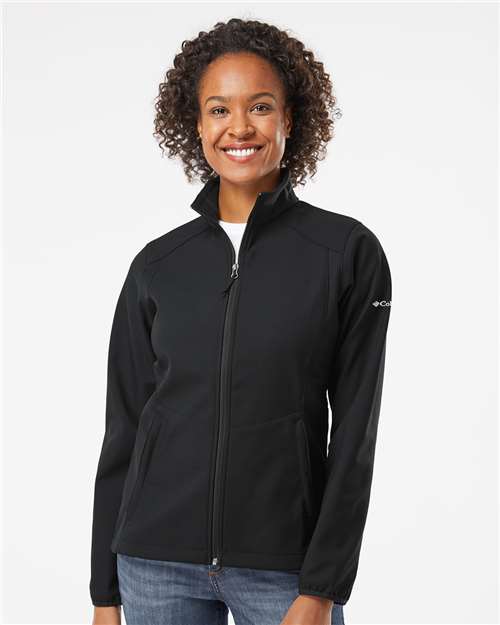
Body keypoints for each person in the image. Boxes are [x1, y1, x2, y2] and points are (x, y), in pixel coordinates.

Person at [90, 17, 391, 625]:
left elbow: (355, 435)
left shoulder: (345, 253)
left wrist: (323, 586)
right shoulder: (157, 265)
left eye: (259, 106)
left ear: (290, 119)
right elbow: (125, 429)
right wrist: (104, 592)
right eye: (219, 109)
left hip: (285, 569)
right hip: (153, 564)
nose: (239, 127)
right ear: (197, 125)